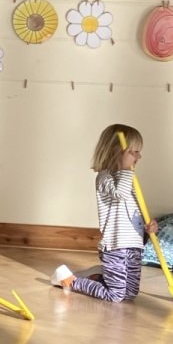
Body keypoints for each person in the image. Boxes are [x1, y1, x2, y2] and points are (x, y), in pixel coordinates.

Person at [53, 125, 149, 301]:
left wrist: (148, 227)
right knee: (115, 295)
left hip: (134, 246)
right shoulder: (105, 178)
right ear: (117, 152)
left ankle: (101, 277)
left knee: (130, 294)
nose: (139, 157)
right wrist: (126, 169)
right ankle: (70, 281)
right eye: (134, 152)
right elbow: (119, 194)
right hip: (115, 246)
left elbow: (135, 213)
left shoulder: (129, 181)